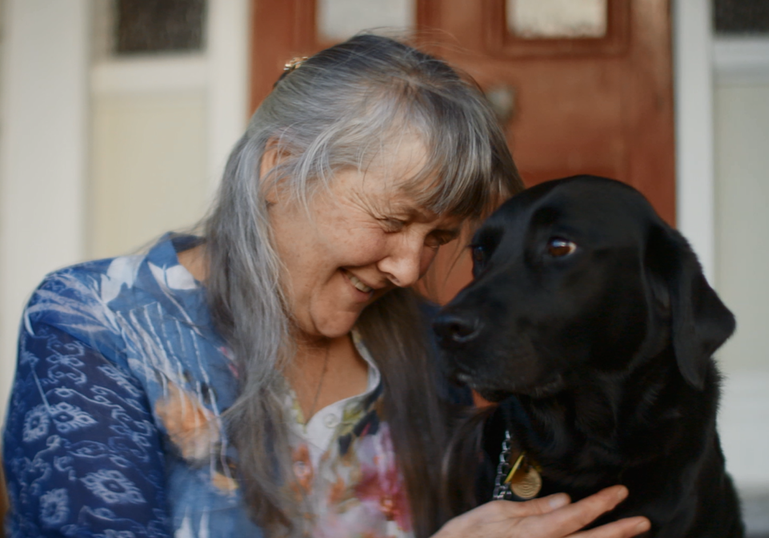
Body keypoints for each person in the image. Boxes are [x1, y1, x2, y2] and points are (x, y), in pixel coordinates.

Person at [2, 34, 650, 538]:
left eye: (437, 239)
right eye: (392, 221)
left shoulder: (431, 349)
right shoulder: (98, 325)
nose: (408, 269)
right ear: (279, 168)